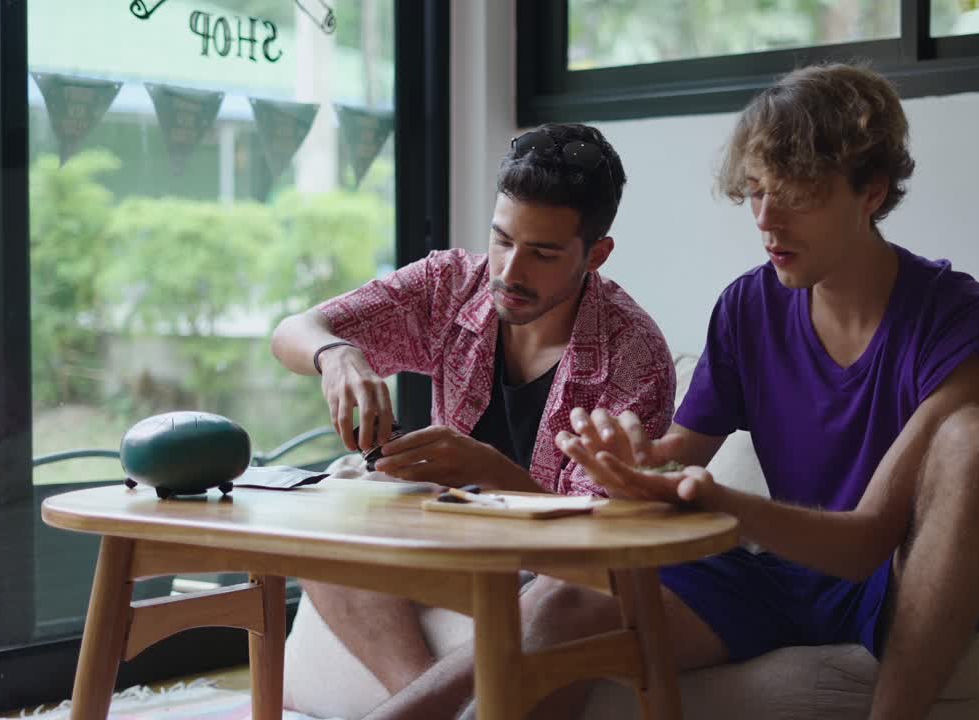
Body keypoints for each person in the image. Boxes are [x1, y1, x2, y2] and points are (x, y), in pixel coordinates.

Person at [553, 62, 979, 720]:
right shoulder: (748, 307)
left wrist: (721, 501)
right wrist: (634, 459)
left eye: (795, 193)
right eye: (755, 192)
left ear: (871, 192)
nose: (766, 219)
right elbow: (680, 455)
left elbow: (867, 542)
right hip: (784, 574)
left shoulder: (963, 321)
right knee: (559, 607)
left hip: (901, 575)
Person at [269, 122, 676, 701]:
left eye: (542, 253)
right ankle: (416, 697)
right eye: (503, 239)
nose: (509, 273)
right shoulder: (453, 285)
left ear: (596, 255)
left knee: (566, 603)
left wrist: (488, 471)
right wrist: (337, 357)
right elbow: (293, 331)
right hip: (453, 546)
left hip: (550, 575)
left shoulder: (633, 357)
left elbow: (600, 545)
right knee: (322, 515)